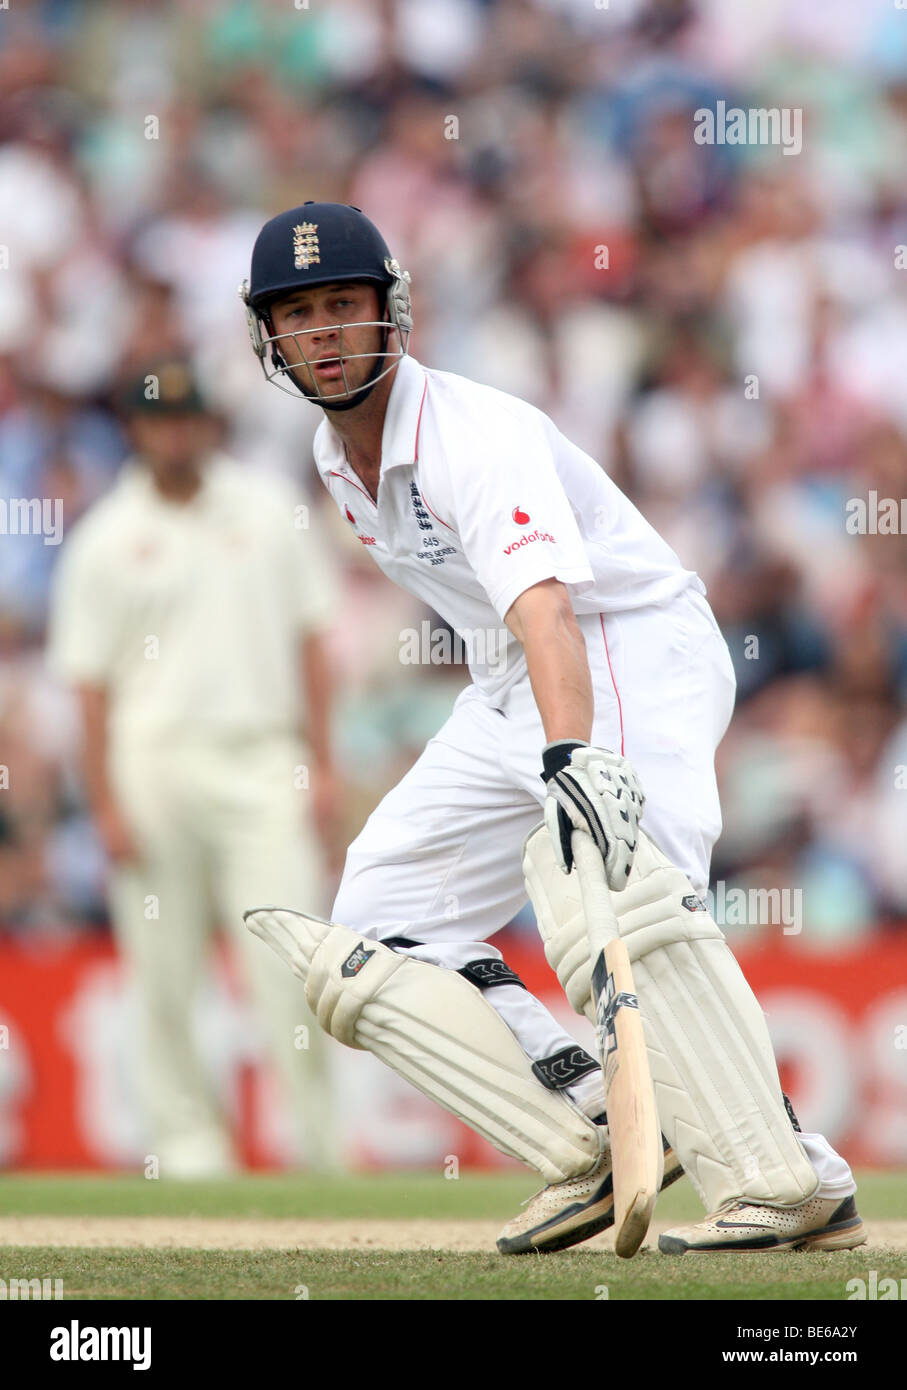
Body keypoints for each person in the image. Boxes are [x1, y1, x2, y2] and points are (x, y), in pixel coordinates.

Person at [240, 202, 864, 1254]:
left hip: (625, 644)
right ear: (268, 337)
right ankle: (587, 1129)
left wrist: (572, 758)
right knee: (381, 920)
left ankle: (792, 1177)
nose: (323, 331)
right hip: (508, 676)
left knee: (625, 896)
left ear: (393, 311)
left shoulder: (471, 436)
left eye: (342, 303)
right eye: (296, 314)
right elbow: (501, 626)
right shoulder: (330, 457)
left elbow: (547, 609)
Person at [47, 358, 341, 1177]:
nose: (176, 433)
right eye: (159, 420)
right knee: (164, 971)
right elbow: (89, 689)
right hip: (153, 764)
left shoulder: (266, 511)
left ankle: (317, 1151)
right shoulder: (106, 538)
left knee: (292, 966)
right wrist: (104, 803)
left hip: (263, 757)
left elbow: (313, 643)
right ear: (134, 430)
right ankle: (189, 1155)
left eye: (188, 417)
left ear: (210, 423)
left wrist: (323, 766)